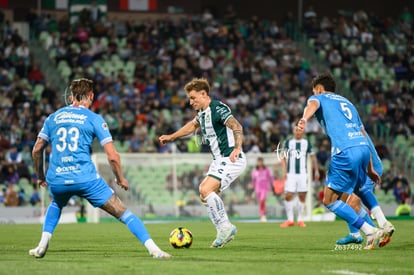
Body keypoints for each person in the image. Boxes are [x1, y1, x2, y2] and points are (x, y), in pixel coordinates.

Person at [29, 78, 171, 259]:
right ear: (91, 96)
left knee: (56, 203)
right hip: (86, 179)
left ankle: (41, 246)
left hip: (57, 179)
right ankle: (154, 250)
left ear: (71, 97)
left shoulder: (53, 117)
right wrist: (120, 178)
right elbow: (112, 156)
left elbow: (36, 150)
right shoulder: (94, 119)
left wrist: (41, 176)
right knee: (122, 212)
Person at [296, 73, 383, 250]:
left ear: (319, 89)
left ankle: (371, 231)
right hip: (363, 149)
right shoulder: (347, 102)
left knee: (329, 200)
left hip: (345, 151)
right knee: (346, 196)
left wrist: (304, 119)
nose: (314, 93)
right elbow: (363, 134)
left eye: (314, 90)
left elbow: (312, 104)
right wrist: (370, 168)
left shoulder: (318, 97)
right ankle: (360, 233)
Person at [159, 77, 247, 248]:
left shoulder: (218, 108)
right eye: (189, 99)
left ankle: (225, 227)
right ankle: (222, 229)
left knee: (205, 189)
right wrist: (171, 137)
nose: (190, 102)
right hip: (219, 160)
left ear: (203, 94)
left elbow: (237, 126)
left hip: (230, 157)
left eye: (193, 98)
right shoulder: (202, 113)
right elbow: (191, 127)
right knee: (204, 195)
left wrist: (237, 148)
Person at [337, 133, 395, 246]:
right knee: (348, 201)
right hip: (362, 167)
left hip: (369, 168)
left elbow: (363, 145)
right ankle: (363, 233)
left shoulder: (351, 127)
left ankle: (374, 233)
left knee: (351, 203)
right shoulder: (348, 126)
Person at [280, 127, 319, 228]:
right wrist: (284, 171)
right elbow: (283, 157)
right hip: (290, 174)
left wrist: (317, 170)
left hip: (302, 174)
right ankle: (290, 220)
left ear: (303, 132)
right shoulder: (288, 142)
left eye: (300, 130)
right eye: (296, 130)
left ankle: (300, 220)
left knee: (302, 196)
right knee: (288, 195)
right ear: (293, 131)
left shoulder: (306, 143)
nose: (298, 132)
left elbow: (313, 156)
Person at [251, 157, 273, 222]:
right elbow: (253, 180)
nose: (260, 163)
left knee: (262, 200)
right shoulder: (255, 170)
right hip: (258, 189)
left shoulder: (267, 169)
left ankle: (263, 215)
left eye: (261, 162)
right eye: (259, 162)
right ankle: (262, 215)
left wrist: (272, 186)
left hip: (265, 188)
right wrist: (253, 189)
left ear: (263, 162)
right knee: (261, 202)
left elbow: (270, 178)